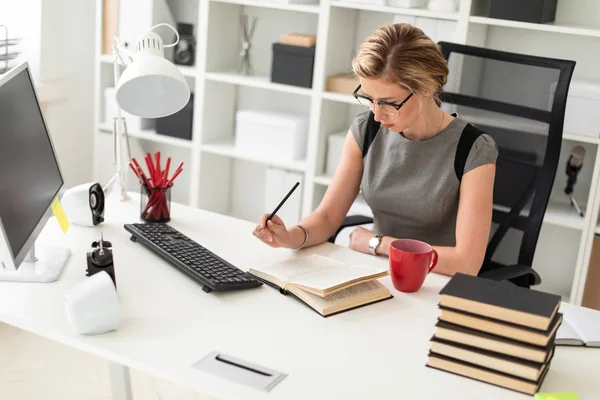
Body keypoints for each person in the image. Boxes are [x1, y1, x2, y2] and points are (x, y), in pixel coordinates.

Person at [252, 23, 498, 277]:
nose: (377, 115)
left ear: (426, 88)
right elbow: (326, 217)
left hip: (435, 281)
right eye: (369, 99)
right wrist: (290, 237)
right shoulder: (366, 130)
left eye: (389, 103)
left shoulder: (474, 149)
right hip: (375, 271)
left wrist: (378, 243)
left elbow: (466, 263)